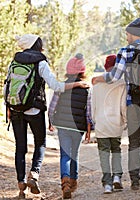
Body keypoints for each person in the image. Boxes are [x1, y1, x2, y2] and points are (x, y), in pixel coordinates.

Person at [92, 18, 140, 193]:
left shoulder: (125, 51)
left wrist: (98, 78)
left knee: (134, 143)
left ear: (133, 33)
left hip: (133, 104)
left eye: (127, 33)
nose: (126, 36)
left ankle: (135, 181)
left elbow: (114, 76)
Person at [7, 34, 89, 199]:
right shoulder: (41, 63)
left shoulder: (14, 61)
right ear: (37, 46)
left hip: (15, 109)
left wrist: (8, 107)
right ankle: (34, 175)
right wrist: (77, 84)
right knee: (40, 143)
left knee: (20, 147)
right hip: (35, 109)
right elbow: (56, 86)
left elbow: (7, 84)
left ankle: (21, 185)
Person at [48, 53, 93, 199]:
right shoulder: (86, 89)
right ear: (82, 71)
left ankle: (65, 182)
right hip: (79, 127)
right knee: (75, 154)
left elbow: (52, 107)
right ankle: (73, 181)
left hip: (63, 126)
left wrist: (50, 121)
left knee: (65, 155)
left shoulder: (61, 87)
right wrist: (88, 129)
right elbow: (89, 112)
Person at [89, 55, 126, 194]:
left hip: (101, 123)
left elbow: (93, 106)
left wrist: (95, 121)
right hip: (115, 122)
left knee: (104, 154)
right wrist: (125, 120)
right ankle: (117, 176)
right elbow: (123, 105)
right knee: (116, 150)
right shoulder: (121, 83)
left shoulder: (96, 83)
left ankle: (107, 184)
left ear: (105, 66)